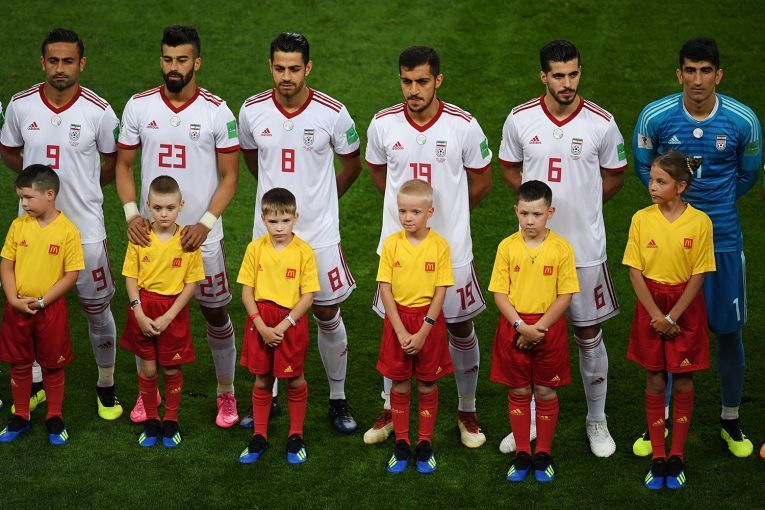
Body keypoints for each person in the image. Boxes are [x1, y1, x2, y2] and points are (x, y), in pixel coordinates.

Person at [633, 37, 762, 458]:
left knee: (728, 331)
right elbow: (643, 166)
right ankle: (662, 417)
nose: (697, 79)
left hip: (722, 240)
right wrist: (675, 211)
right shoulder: (656, 116)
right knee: (668, 331)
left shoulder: (742, 120)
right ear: (679, 74)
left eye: (706, 71)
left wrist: (710, 210)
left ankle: (730, 419)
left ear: (718, 75)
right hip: (671, 246)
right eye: (690, 70)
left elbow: (748, 174)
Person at [498, 40, 626, 457]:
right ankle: (533, 418)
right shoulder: (519, 119)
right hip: (532, 252)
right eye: (558, 75)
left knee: (588, 334)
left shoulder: (601, 123)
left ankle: (597, 420)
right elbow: (508, 166)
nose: (567, 83)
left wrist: (586, 207)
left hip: (584, 250)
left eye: (573, 74)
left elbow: (615, 175)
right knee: (532, 331)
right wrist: (534, 209)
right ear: (543, 76)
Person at [365, 46, 492, 448]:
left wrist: (450, 217)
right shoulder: (382, 124)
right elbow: (378, 173)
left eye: (422, 81)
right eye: (406, 81)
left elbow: (482, 181)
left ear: (438, 80)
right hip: (398, 253)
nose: (413, 90)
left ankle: (467, 410)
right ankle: (391, 407)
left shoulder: (463, 126)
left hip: (451, 250)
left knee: (460, 326)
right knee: (395, 328)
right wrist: (407, 218)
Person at [115, 25, 241, 428]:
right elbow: (123, 166)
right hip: (152, 237)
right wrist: (132, 214)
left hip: (202, 238)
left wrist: (205, 224)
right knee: (146, 312)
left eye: (182, 59)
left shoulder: (217, 111)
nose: (174, 67)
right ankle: (146, 393)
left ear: (196, 62)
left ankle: (226, 392)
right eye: (168, 59)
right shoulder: (138, 106)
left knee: (215, 313)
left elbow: (231, 176)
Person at [238, 32, 361, 433]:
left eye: (294, 69)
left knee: (325, 311)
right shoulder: (252, 111)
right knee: (269, 308)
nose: (286, 77)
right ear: (270, 66)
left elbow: (352, 164)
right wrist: (277, 211)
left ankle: (338, 398)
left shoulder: (333, 113)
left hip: (318, 236)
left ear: (308, 67)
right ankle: (269, 394)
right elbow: (252, 159)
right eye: (279, 68)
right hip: (269, 235)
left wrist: (325, 201)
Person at [0, 28, 122, 420]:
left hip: (85, 232)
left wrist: (84, 187)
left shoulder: (99, 111)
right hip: (32, 236)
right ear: (42, 62)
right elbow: (8, 151)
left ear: (81, 64)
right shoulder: (21, 105)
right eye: (53, 60)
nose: (60, 68)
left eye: (68, 61)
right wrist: (35, 190)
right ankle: (36, 382)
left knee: (96, 309)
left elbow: (114, 162)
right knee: (31, 309)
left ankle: (106, 384)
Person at [624, 152, 715, 489]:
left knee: (684, 380)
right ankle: (658, 456)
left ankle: (677, 455)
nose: (652, 186)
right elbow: (635, 271)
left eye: (661, 182)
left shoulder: (700, 223)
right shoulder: (640, 219)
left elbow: (699, 274)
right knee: (655, 379)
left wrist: (672, 317)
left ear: (680, 186)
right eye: (651, 180)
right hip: (651, 306)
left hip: (684, 309)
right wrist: (656, 317)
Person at [490, 180, 578, 483]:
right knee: (518, 390)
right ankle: (521, 453)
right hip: (514, 327)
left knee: (544, 390)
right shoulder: (507, 246)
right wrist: (521, 327)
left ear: (549, 213)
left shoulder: (562, 249)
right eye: (524, 213)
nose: (529, 221)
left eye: (537, 214)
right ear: (516, 210)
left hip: (547, 328)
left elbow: (565, 295)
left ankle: (543, 452)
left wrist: (537, 328)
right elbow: (500, 294)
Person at [0, 164, 83, 445]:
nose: (23, 204)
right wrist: (13, 299)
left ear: (50, 194)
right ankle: (20, 416)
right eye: (21, 198)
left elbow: (72, 274)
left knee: (52, 365)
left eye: (28, 197)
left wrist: (43, 301)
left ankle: (54, 417)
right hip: (18, 307)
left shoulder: (68, 231)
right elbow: (6, 265)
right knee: (19, 363)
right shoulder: (18, 226)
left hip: (50, 310)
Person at [119, 176, 204, 448]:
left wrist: (169, 316)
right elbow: (131, 277)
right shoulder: (140, 237)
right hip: (143, 308)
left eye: (170, 208)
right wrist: (138, 313)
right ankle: (152, 420)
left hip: (173, 311)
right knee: (148, 368)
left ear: (181, 206)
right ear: (148, 205)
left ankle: (171, 420)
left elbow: (191, 284)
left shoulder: (188, 241)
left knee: (171, 368)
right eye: (157, 208)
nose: (164, 214)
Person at [237, 188, 318, 465]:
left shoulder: (304, 252)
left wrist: (283, 326)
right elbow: (246, 293)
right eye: (273, 221)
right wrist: (261, 326)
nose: (279, 227)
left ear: (295, 218)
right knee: (262, 379)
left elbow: (308, 297)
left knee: (295, 378)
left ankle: (296, 435)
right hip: (260, 322)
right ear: (263, 219)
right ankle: (259, 436)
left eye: (285, 221)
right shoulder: (255, 249)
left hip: (290, 324)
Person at [377, 179, 453, 474]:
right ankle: (402, 443)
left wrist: (423, 331)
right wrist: (400, 331)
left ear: (430, 212)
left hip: (427, 324)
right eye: (402, 211)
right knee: (399, 382)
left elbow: (440, 291)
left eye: (415, 212)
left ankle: (424, 443)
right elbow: (385, 288)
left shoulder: (440, 246)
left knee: (427, 383)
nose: (407, 218)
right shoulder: (391, 244)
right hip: (398, 321)